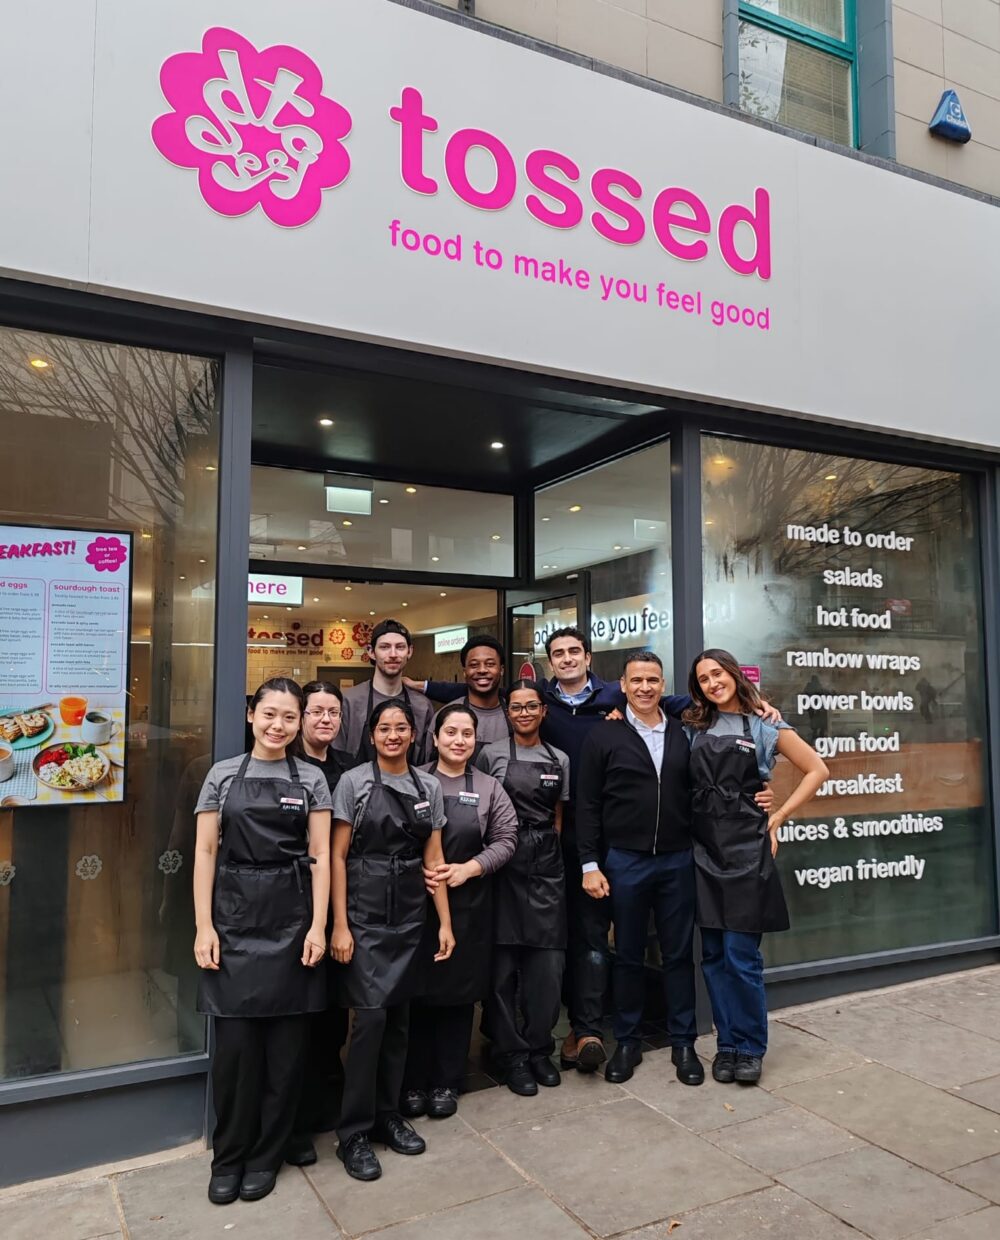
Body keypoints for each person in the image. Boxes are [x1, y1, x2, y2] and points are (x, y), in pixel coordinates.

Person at [193, 678, 331, 1206]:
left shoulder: (312, 778)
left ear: (299, 723)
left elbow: (319, 857)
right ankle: (228, 1156)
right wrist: (204, 926)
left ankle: (266, 1156)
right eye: (269, 714)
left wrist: (319, 925)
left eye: (289, 717)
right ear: (252, 715)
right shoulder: (223, 776)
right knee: (235, 1055)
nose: (278, 726)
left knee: (286, 1054)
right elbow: (206, 853)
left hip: (293, 920)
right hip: (232, 918)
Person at [684, 650, 828, 1084]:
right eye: (703, 679)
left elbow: (817, 769)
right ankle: (725, 1044)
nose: (712, 683)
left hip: (747, 847)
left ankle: (750, 1046)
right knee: (712, 955)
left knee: (740, 955)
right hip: (702, 847)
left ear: (732, 673)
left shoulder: (766, 725)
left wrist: (777, 815)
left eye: (717, 673)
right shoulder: (693, 724)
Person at [330, 699, 455, 1182]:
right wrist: (339, 925)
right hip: (363, 913)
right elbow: (336, 857)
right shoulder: (354, 783)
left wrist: (444, 923)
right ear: (372, 735)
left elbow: (435, 861)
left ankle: (387, 1116)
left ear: (413, 733)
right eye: (385, 728)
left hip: (409, 916)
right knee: (370, 1023)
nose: (394, 735)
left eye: (402, 727)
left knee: (400, 1021)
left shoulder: (428, 787)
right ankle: (354, 1133)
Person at [575, 652, 707, 1088]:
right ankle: (627, 1041)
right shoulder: (604, 735)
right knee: (628, 954)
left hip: (676, 858)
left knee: (677, 954)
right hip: (624, 860)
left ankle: (683, 1042)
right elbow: (587, 805)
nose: (646, 687)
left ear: (662, 683)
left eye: (653, 680)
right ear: (623, 685)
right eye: (638, 680)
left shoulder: (685, 732)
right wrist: (590, 864)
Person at [402, 704, 518, 1119]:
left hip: (469, 905)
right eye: (450, 732)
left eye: (466, 734)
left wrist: (471, 867)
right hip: (417, 904)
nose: (458, 740)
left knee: (457, 997)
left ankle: (446, 1082)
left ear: (475, 740)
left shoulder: (489, 787)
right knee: (415, 995)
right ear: (434, 738)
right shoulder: (413, 782)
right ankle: (411, 1081)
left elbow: (507, 838)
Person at [477, 680, 571, 1095]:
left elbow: (558, 816)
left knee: (547, 966)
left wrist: (548, 852)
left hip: (547, 861)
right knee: (501, 966)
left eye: (532, 706)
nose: (525, 713)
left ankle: (539, 1048)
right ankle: (511, 1052)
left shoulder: (560, 759)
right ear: (508, 713)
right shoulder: (491, 755)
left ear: (543, 711)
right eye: (517, 707)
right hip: (504, 859)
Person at [286, 681, 354, 1164]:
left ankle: (329, 1101)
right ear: (301, 718)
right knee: (299, 1012)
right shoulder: (283, 767)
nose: (325, 719)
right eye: (316, 712)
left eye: (333, 712)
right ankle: (296, 1116)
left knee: (333, 1009)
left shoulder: (349, 770)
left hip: (341, 902)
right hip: (290, 900)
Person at [335, 619, 436, 765]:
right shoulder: (349, 701)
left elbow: (426, 760)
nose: (393, 654)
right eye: (385, 647)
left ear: (410, 651)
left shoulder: (422, 706)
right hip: (357, 786)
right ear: (371, 652)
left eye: (400, 647)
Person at [408, 635, 513, 755]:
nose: (482, 670)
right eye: (474, 665)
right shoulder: (445, 717)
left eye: (490, 664)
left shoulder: (515, 716)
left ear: (502, 670)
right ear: (464, 672)